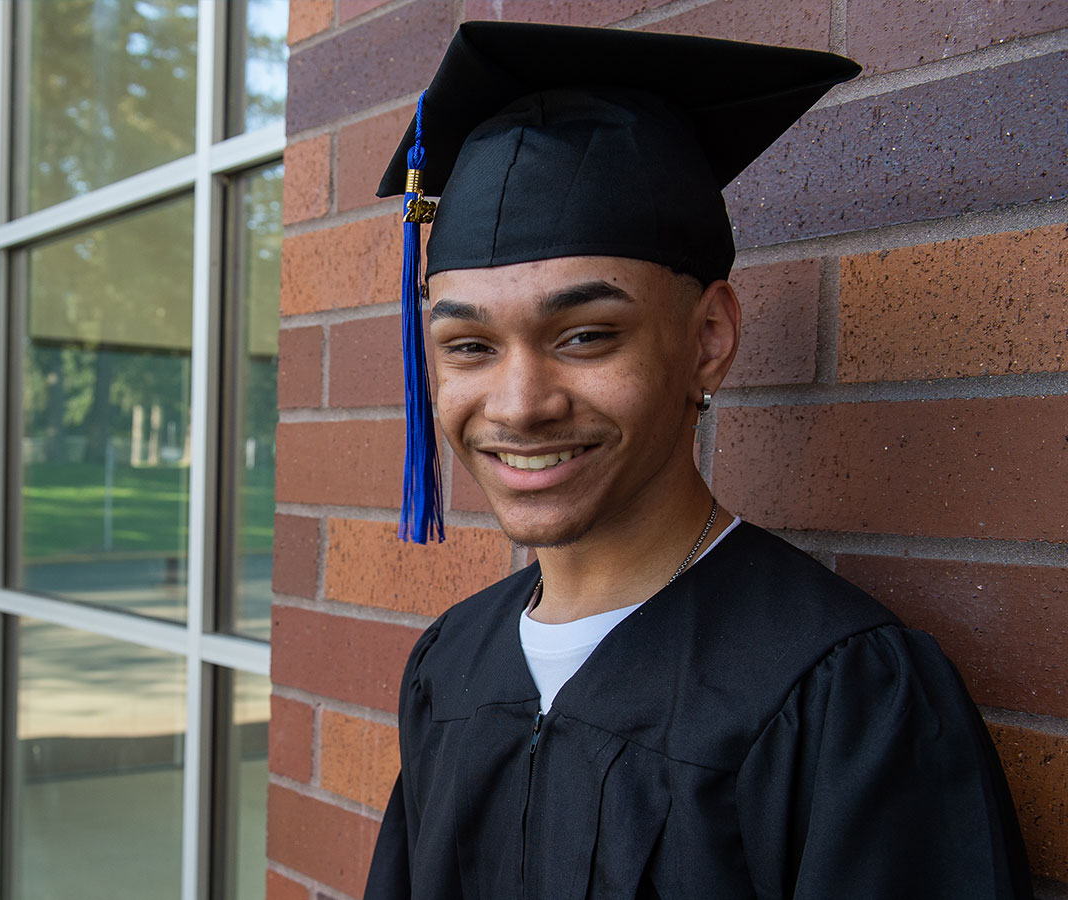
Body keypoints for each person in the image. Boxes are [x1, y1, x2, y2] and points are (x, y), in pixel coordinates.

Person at [362, 21, 1034, 900]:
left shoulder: (843, 696)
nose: (521, 404)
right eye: (469, 346)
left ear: (709, 339)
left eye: (586, 335)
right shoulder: (449, 663)